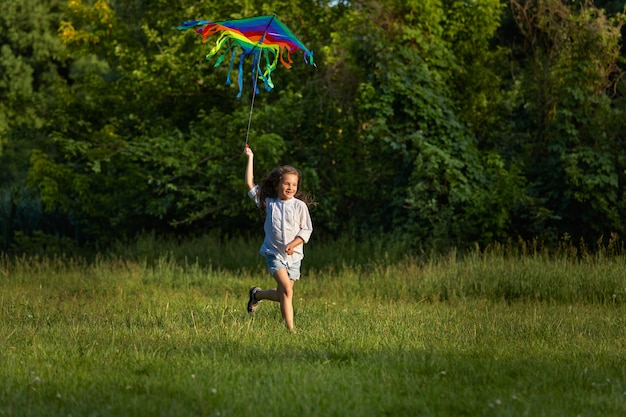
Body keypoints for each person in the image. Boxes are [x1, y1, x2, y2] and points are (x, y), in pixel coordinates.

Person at [243, 145, 315, 331]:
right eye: (286, 183)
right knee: (288, 291)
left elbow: (306, 230)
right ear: (277, 185)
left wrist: (294, 243)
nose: (290, 187)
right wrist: (250, 157)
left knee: (284, 294)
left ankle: (257, 295)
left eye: (294, 185)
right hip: (273, 253)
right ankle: (291, 330)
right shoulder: (270, 203)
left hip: (295, 256)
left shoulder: (299, 206)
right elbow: (250, 184)